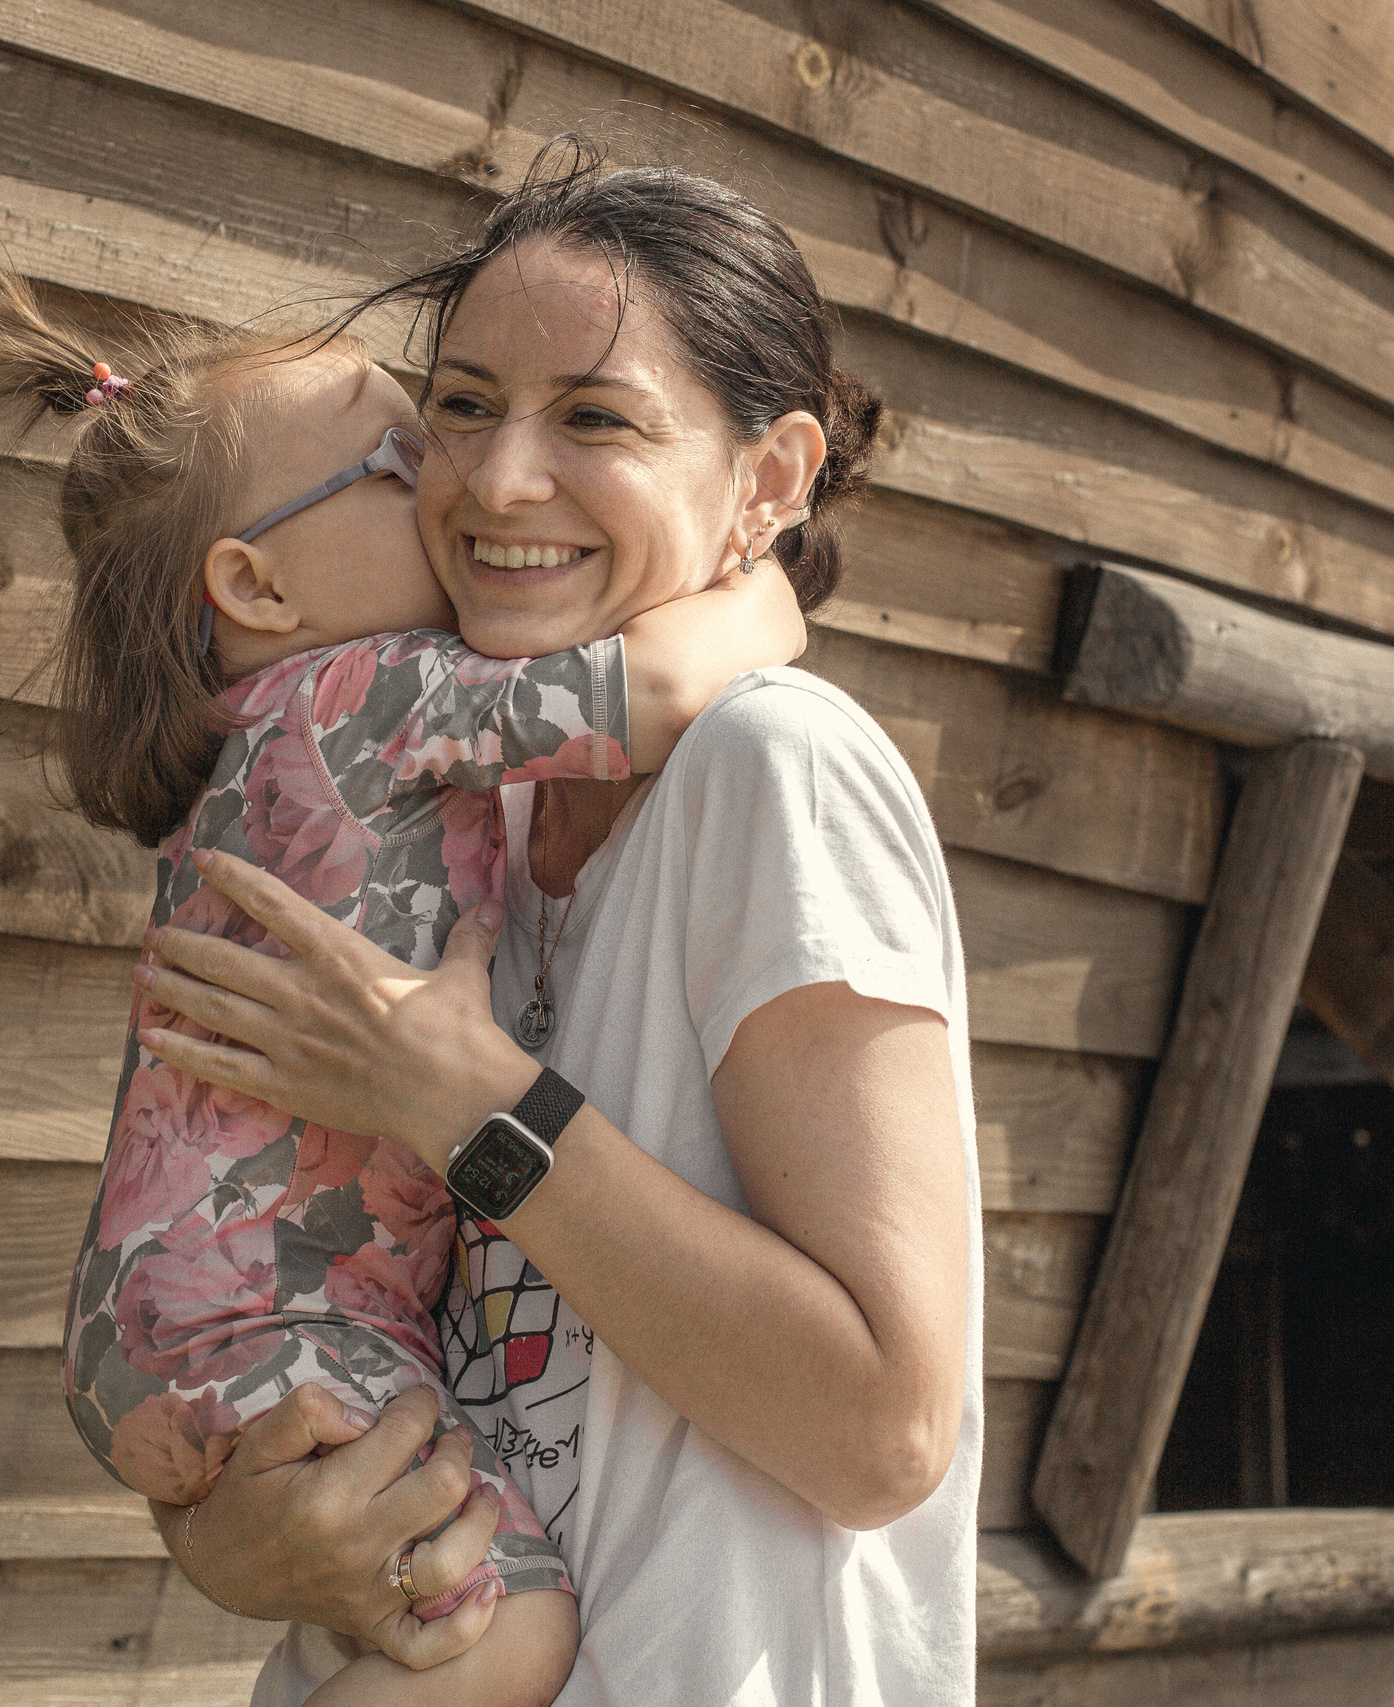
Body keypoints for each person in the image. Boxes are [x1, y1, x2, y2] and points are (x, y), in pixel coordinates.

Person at [130, 142, 983, 1705]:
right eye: (458, 406)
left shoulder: (772, 769)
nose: (497, 479)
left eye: (595, 418)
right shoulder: (462, 820)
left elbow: (882, 1434)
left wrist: (470, 1111)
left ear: (771, 483)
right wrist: (238, 1543)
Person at [0, 267, 808, 1705]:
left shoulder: (271, 744)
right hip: (266, 1319)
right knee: (508, 1635)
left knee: (423, 1627)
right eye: (402, 461)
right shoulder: (361, 697)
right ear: (256, 583)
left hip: (192, 1313)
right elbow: (667, 686)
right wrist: (760, 567)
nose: (448, 495)